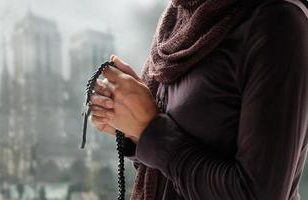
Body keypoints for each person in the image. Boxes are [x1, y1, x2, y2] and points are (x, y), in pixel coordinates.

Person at [89, 0, 308, 199]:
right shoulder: (176, 18)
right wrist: (134, 128)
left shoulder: (278, 24)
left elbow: (257, 194)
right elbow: (169, 176)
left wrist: (150, 128)